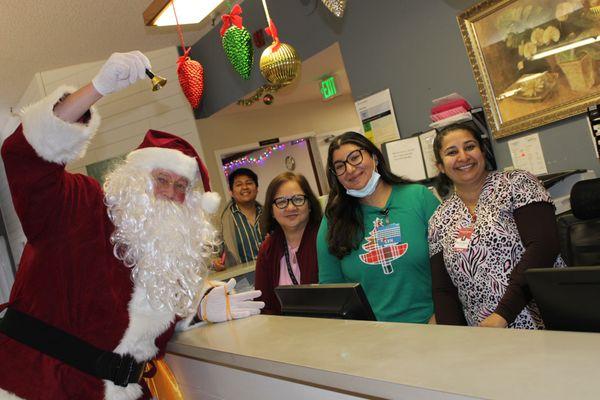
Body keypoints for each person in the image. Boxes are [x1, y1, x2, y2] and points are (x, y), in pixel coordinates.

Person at [0, 51, 263, 400]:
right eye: (161, 179)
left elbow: (151, 304)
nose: (170, 193)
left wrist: (198, 307)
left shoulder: (168, 259)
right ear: (135, 180)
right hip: (35, 385)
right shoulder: (81, 205)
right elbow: (27, 156)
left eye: (181, 187)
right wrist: (97, 88)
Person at [428, 123, 565, 329]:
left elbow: (543, 247)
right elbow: (444, 289)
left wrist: (503, 314)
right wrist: (452, 340)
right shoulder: (439, 219)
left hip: (542, 320)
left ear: (483, 151)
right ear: (440, 166)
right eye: (452, 152)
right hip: (486, 335)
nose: (463, 157)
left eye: (470, 147)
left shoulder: (516, 183)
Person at [317, 132, 440, 323]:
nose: (350, 169)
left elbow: (451, 265)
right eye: (340, 166)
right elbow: (332, 290)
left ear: (374, 156)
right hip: (375, 339)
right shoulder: (334, 221)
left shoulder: (418, 197)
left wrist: (441, 315)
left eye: (355, 157)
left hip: (435, 325)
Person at [254, 172, 322, 314]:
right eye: (281, 202)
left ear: (309, 204)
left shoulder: (326, 238)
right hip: (284, 331)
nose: (290, 208)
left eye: (297, 199)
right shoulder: (267, 249)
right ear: (272, 210)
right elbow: (263, 305)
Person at [216, 168, 265, 268]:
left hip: (274, 274)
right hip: (243, 280)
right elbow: (213, 253)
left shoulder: (269, 214)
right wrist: (215, 262)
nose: (245, 187)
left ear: (257, 188)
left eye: (249, 183)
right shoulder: (222, 221)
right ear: (231, 192)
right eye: (238, 184)